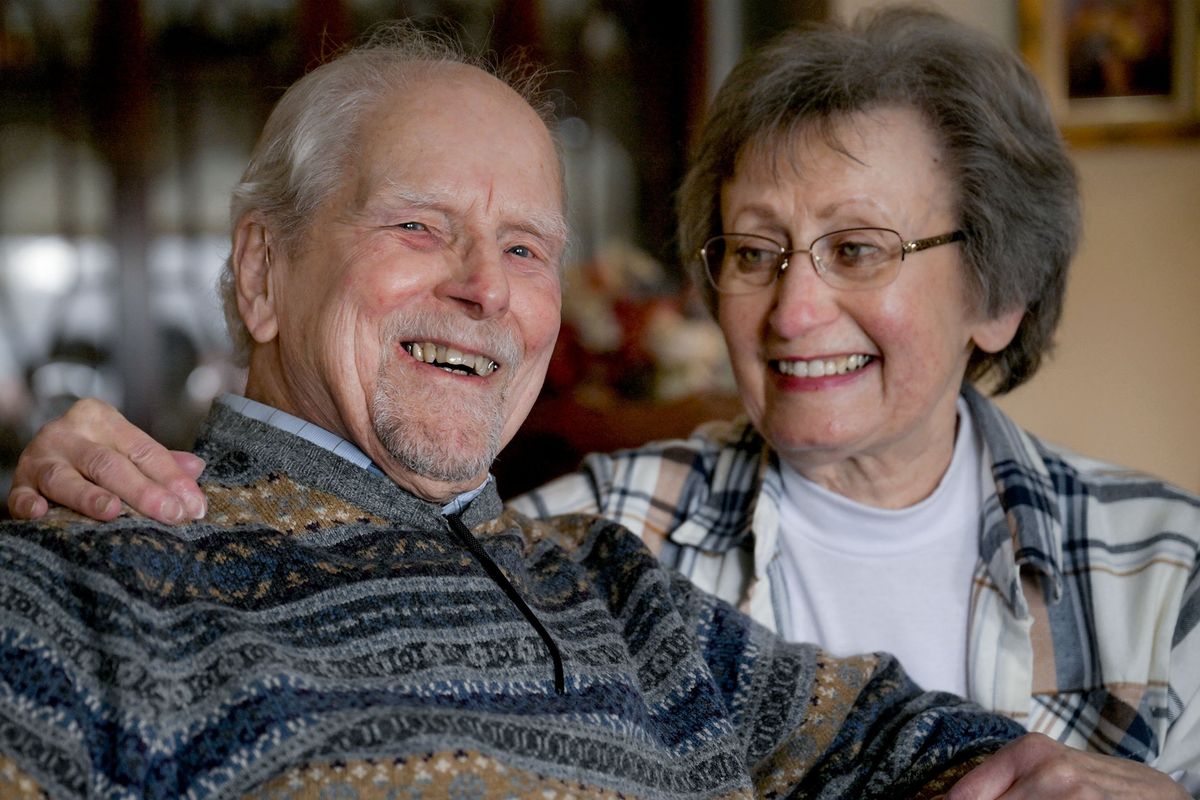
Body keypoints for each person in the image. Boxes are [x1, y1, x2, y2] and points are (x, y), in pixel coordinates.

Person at [6, 7, 1197, 798]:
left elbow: (921, 743)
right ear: (262, 273)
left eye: (527, 247)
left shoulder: (611, 583)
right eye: (419, 225)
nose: (485, 288)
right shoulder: (84, 585)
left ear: (998, 296)